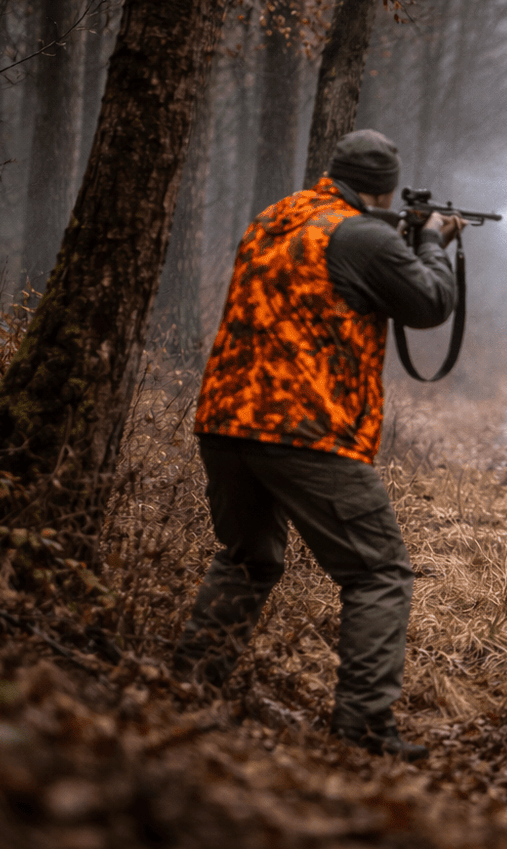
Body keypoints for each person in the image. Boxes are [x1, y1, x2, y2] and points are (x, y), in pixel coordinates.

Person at [174, 129, 463, 761]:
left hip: (224, 420)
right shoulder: (364, 235)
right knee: (379, 572)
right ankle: (363, 730)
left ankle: (184, 693)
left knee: (248, 558)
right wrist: (435, 244)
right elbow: (430, 304)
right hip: (303, 429)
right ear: (384, 186)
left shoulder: (274, 218)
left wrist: (405, 240)